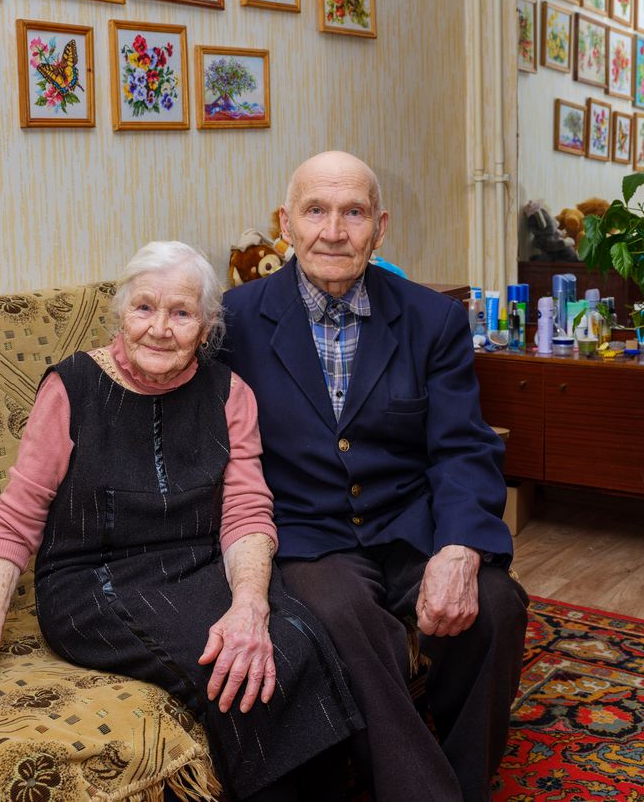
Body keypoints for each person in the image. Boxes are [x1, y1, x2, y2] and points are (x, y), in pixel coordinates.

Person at [0, 242, 362, 802]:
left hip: (200, 568)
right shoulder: (70, 388)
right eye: (143, 308)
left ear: (207, 326)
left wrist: (249, 603)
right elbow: (15, 521)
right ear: (120, 314)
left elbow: (245, 511)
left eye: (181, 312)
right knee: (239, 680)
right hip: (92, 583)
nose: (159, 328)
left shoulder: (230, 393)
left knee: (299, 639)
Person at [220, 152, 529, 802]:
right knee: (342, 616)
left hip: (409, 525)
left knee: (498, 606)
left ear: (379, 227)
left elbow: (463, 447)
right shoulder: (235, 321)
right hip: (308, 537)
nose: (334, 230)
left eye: (353, 212)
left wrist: (460, 547)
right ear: (286, 223)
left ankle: (464, 779)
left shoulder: (432, 320)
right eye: (316, 210)